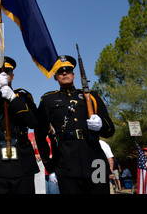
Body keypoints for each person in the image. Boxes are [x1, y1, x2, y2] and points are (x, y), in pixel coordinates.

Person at [35, 55, 115, 194]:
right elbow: (40, 136)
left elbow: (109, 130)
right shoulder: (48, 100)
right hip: (66, 163)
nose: (64, 73)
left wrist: (100, 124)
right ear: (55, 76)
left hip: (96, 161)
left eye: (68, 70)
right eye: (60, 71)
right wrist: (50, 168)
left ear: (73, 74)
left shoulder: (91, 96)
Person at [0, 57, 39, 194]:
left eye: (7, 71)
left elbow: (34, 121)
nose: (3, 74)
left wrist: (13, 98)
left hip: (22, 159)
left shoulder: (23, 97)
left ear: (12, 75)